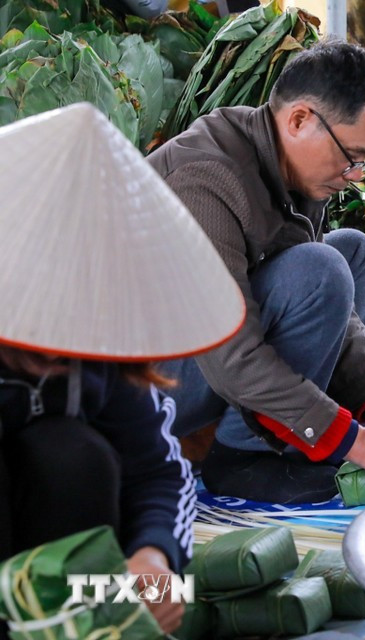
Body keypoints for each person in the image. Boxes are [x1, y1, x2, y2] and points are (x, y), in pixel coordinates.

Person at [148, 40, 365, 504]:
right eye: (352, 156)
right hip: (140, 384)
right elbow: (230, 354)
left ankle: (294, 434)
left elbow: (335, 314)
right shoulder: (206, 176)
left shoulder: (292, 169)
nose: (355, 174)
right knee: (321, 269)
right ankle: (240, 456)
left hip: (200, 356)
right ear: (300, 120)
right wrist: (356, 443)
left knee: (354, 252)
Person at [0, 103, 245, 635]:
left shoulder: (96, 347)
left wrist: (155, 558)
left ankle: (71, 620)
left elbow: (160, 472)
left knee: (75, 455)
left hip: (39, 579)